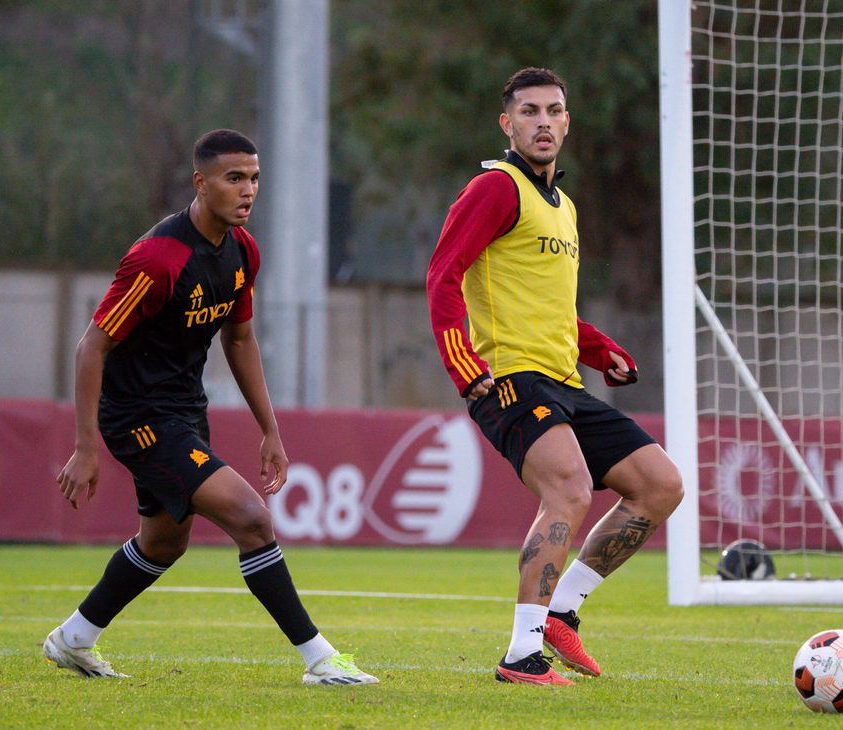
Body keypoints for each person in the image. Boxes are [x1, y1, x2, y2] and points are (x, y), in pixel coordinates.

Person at [44, 129, 377, 686]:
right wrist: (86, 447)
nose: (247, 191)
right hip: (139, 418)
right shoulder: (158, 259)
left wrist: (270, 430)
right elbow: (91, 346)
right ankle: (320, 659)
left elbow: (239, 341)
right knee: (252, 518)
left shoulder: (243, 250)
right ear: (201, 183)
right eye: (234, 178)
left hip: (183, 410)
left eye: (253, 179)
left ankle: (74, 638)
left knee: (164, 542)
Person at [426, 68, 684, 685]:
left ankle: (563, 611)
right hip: (510, 379)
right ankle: (522, 653)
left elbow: (548, 305)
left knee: (661, 484)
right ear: (506, 123)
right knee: (568, 490)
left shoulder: (563, 206)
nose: (543, 121)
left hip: (564, 381)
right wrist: (464, 365)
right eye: (530, 111)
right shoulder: (496, 187)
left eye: (555, 111)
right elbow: (443, 273)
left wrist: (600, 351)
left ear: (568, 123)